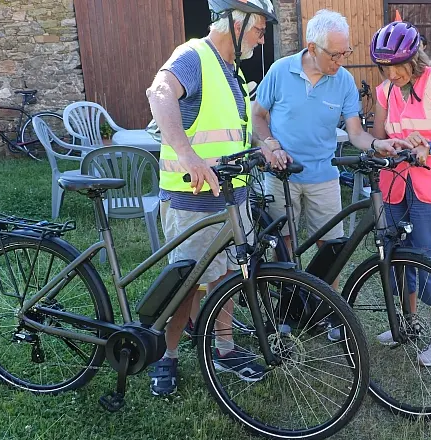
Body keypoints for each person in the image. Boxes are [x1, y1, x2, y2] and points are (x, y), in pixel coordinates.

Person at [144, 0, 277, 397]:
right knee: (186, 284)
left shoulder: (231, 70)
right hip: (193, 198)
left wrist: (265, 144)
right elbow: (160, 91)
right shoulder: (193, 56)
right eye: (259, 27)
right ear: (236, 23)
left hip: (231, 193)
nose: (262, 35)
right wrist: (186, 154)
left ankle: (224, 348)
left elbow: (235, 128)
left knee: (228, 277)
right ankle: (166, 355)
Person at [252, 9, 409, 268]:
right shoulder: (280, 71)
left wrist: (377, 144)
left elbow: (355, 132)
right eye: (335, 55)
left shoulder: (344, 82)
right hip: (281, 174)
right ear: (312, 47)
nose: (341, 61)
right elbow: (257, 115)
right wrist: (272, 145)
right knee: (282, 244)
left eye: (345, 53)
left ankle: (327, 306)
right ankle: (284, 303)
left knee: (331, 248)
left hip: (324, 175)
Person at [369, 21, 431, 366]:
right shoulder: (385, 92)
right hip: (395, 185)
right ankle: (408, 324)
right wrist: (386, 144)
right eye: (384, 67)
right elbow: (378, 136)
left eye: (396, 65)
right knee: (398, 255)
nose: (390, 73)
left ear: (414, 58)